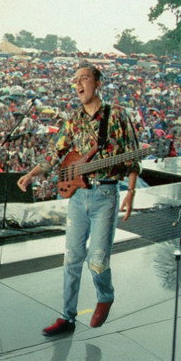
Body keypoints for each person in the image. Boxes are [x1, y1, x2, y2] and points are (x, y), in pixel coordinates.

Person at [17, 65, 140, 337]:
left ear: (97, 82)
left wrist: (130, 192)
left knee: (97, 258)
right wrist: (32, 174)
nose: (78, 85)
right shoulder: (73, 119)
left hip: (105, 195)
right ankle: (67, 317)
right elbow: (54, 152)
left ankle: (105, 295)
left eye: (83, 78)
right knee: (72, 258)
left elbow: (132, 156)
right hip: (78, 197)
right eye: (75, 81)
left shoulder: (118, 115)